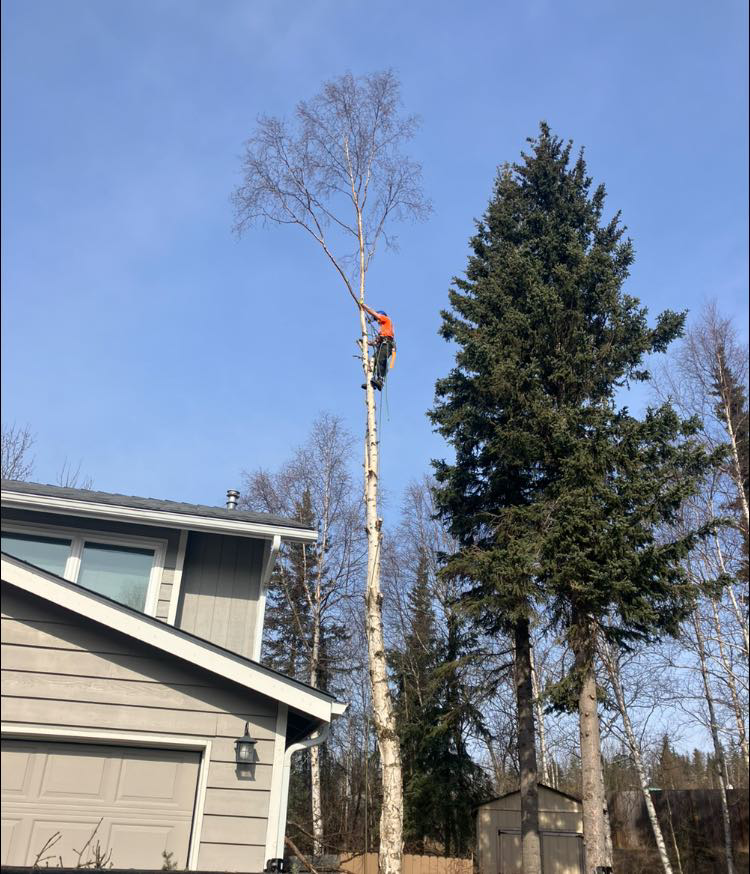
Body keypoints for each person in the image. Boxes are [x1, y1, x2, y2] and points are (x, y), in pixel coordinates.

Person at [362, 304, 395, 391]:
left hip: (387, 344)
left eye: (377, 320)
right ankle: (371, 382)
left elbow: (374, 313)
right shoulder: (382, 329)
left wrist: (363, 306)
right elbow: (377, 341)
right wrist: (369, 343)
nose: (377, 322)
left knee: (381, 359)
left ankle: (380, 380)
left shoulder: (386, 319)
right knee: (373, 360)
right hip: (383, 344)